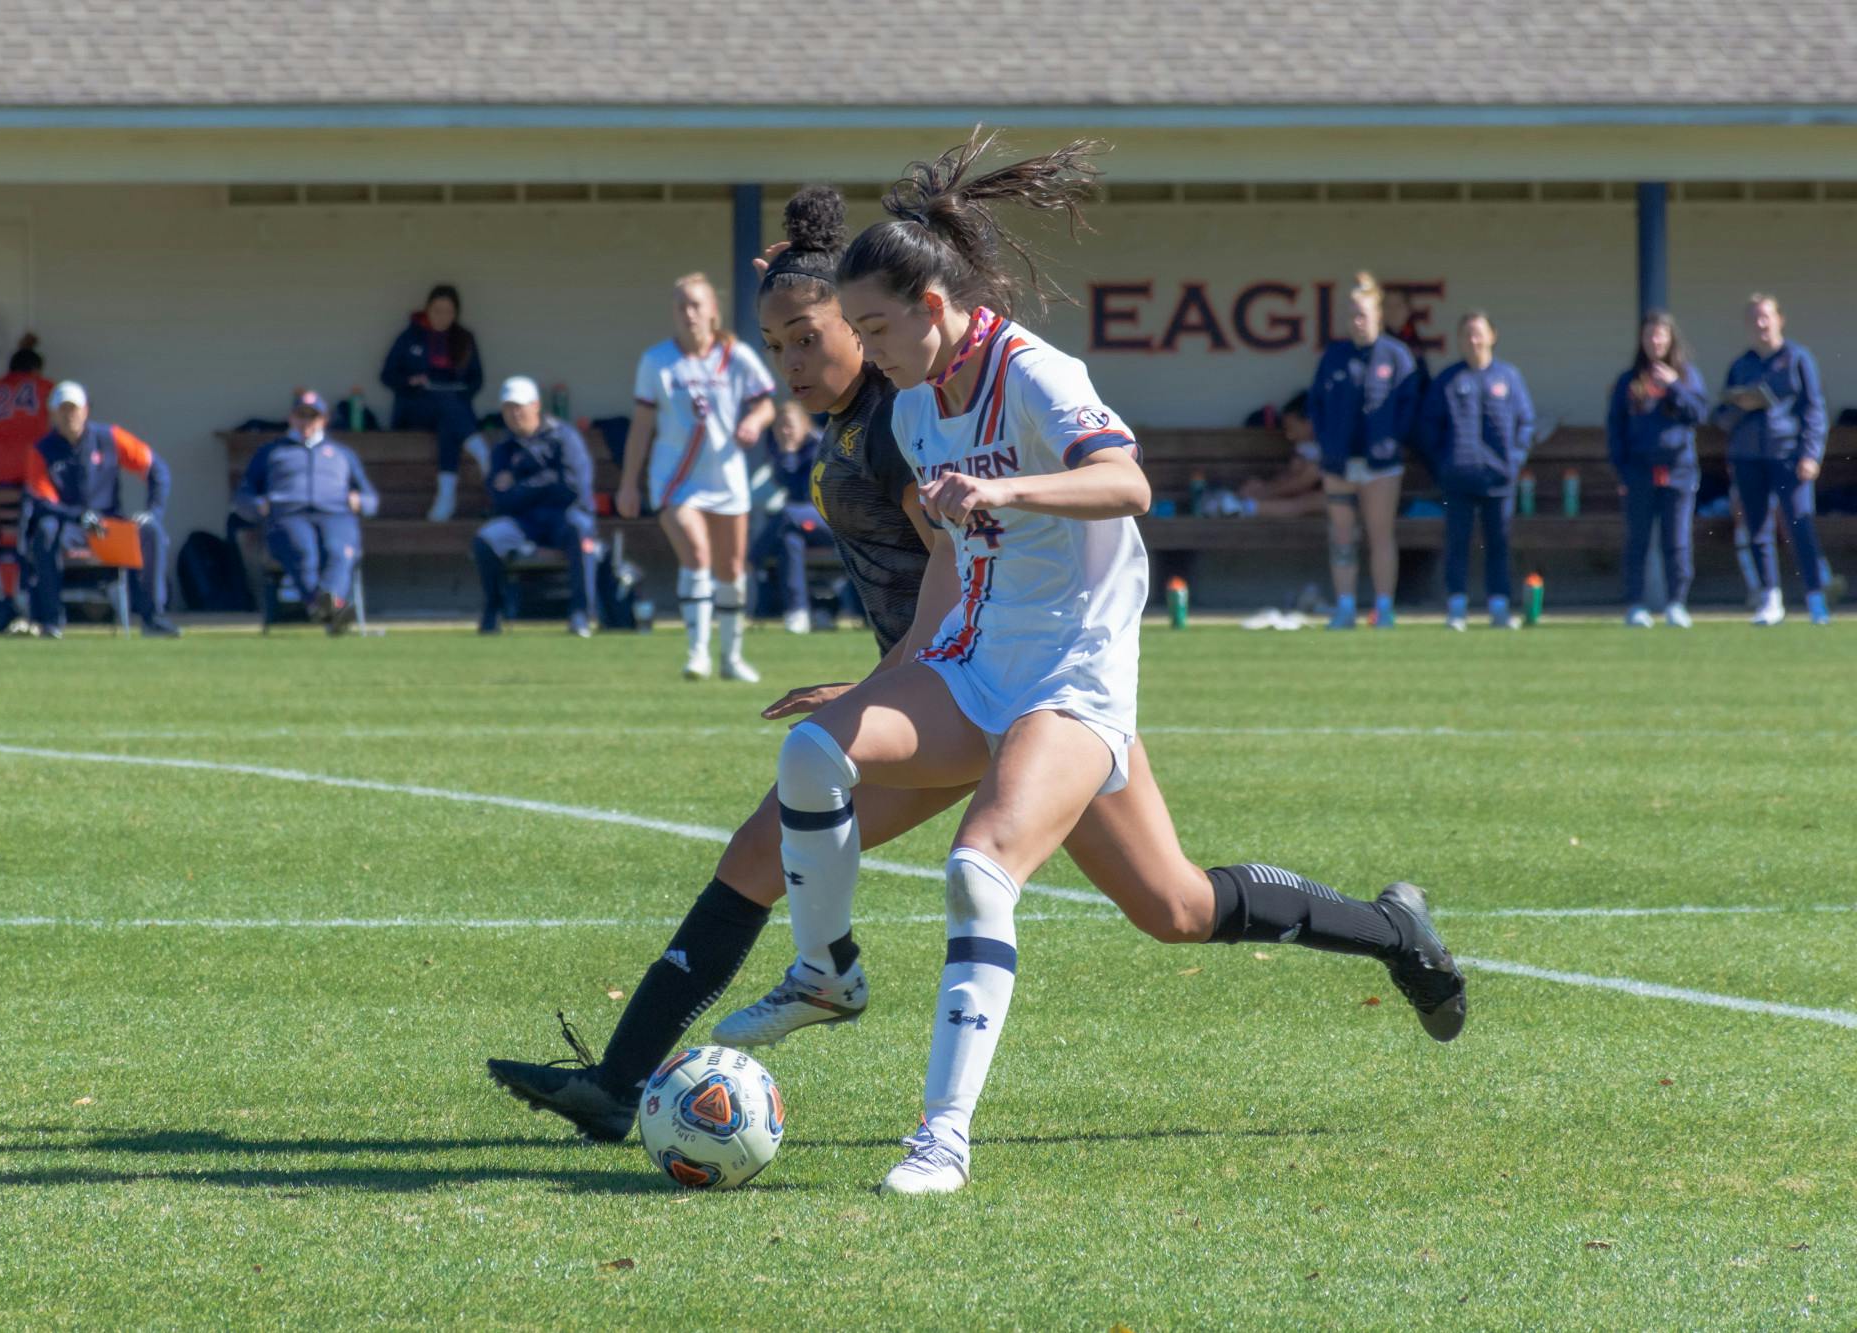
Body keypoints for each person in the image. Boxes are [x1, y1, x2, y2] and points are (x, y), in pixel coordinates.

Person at [486, 182, 1464, 1187]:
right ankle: (821, 975)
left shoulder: (1034, 372)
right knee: (812, 756)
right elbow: (951, 564)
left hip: (1071, 679)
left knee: (1051, 882)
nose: (859, 349)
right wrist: (891, 682)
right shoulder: (917, 407)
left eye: (867, 328)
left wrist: (1004, 488)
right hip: (975, 667)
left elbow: (1128, 483)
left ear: (931, 307)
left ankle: (943, 1138)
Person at [616, 272, 778, 681]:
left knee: (731, 568)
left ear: (712, 311)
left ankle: (731, 658)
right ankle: (697, 653)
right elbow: (641, 425)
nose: (688, 313)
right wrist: (628, 482)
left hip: (726, 476)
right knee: (697, 552)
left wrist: (754, 422)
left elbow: (766, 404)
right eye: (681, 306)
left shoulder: (736, 355)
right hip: (675, 478)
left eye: (696, 305)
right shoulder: (657, 361)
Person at [1307, 273, 1419, 629]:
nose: (1358, 321)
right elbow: (1316, 404)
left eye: (1364, 314)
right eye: (1353, 314)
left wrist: (1390, 442)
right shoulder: (1334, 356)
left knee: (1380, 534)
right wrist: (1328, 444)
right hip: (1338, 464)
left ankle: (1383, 608)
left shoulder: (1397, 355)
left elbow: (1409, 406)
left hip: (1381, 466)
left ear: (1378, 316)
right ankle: (1345, 607)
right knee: (1341, 536)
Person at [1710, 294, 1830, 626]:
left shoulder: (1798, 358)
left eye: (1766, 316)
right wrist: (1739, 405)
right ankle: (1770, 598)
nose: (1761, 324)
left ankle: (1815, 598)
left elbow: (1814, 410)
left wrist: (1810, 453)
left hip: (1788, 456)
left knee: (1799, 524)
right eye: (1754, 318)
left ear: (1780, 319)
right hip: (1748, 457)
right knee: (1757, 528)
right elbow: (1722, 416)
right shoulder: (1741, 364)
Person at [22, 381, 176, 639]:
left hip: (108, 527)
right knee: (45, 531)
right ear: (53, 414)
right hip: (69, 528)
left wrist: (153, 512)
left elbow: (156, 469)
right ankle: (51, 620)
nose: (69, 415)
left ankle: (153, 617)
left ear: (85, 410)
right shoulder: (42, 450)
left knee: (151, 531)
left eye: (74, 409)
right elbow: (43, 501)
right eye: (62, 410)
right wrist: (78, 516)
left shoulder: (110, 438)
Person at [1422, 312, 1536, 631]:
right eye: (1467, 334)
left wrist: (1514, 460)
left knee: (1498, 543)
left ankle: (1499, 606)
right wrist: (1444, 463)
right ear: (1459, 340)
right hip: (1457, 480)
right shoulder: (1448, 380)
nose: (1473, 340)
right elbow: (1428, 428)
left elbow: (1526, 423)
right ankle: (1456, 607)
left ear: (1492, 336)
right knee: (1456, 542)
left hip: (1499, 480)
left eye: (1478, 333)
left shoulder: (1508, 377)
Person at [232, 389, 379, 635]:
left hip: (336, 515)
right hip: (288, 515)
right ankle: (332, 611)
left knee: (339, 551)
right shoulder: (271, 452)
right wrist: (257, 506)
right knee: (303, 551)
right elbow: (243, 495)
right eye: (301, 415)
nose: (306, 422)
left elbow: (370, 497)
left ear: (324, 420)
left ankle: (325, 606)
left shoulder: (342, 454)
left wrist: (360, 501)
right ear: (291, 418)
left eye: (313, 416)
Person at [469, 376, 599, 637]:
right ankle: (494, 610)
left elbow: (572, 486)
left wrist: (520, 483)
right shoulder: (503, 448)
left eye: (520, 406)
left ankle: (580, 614)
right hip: (524, 522)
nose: (514, 413)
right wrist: (546, 482)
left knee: (581, 531)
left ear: (536, 405)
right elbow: (499, 496)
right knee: (486, 540)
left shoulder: (564, 437)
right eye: (508, 408)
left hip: (565, 517)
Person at [1607, 312, 1707, 628]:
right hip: (1639, 472)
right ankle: (1635, 605)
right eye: (1650, 335)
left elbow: (1698, 414)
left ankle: (1676, 603)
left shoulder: (1687, 376)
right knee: (1637, 540)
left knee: (1676, 540)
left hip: (1679, 471)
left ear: (1671, 338)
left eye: (1661, 334)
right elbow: (1616, 428)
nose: (1655, 341)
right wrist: (1621, 471)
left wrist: (1674, 386)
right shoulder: (1629, 380)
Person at [380, 283, 485, 522]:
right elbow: (387, 375)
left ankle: (446, 496)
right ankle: (480, 450)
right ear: (427, 309)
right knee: (446, 406)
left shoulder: (465, 339)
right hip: (415, 408)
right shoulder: (410, 337)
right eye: (437, 310)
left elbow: (476, 380)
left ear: (456, 313)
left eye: (448, 312)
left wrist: (461, 390)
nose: (442, 316)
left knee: (448, 421)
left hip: (451, 412)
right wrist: (410, 381)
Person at [0, 334, 54, 600]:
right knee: (43, 529)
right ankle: (40, 596)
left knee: (7, 533)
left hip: (2, 470)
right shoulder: (46, 387)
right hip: (37, 469)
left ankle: (9, 595)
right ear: (36, 368)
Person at [751, 399, 834, 632]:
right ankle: (798, 612)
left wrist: (788, 454)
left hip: (830, 521)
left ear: (804, 425)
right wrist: (786, 454)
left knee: (787, 515)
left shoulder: (818, 446)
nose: (784, 431)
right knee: (789, 540)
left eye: (789, 425)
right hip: (802, 523)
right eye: (779, 426)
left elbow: (805, 493)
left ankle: (750, 560)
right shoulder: (779, 449)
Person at [1232, 392, 1324, 518]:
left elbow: (1307, 478)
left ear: (1310, 422)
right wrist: (1263, 486)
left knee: (1307, 501)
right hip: (1314, 491)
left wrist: (1263, 493)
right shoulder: (1306, 446)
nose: (1289, 435)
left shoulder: (1332, 443)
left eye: (1291, 428)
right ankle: (1242, 506)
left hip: (1341, 497)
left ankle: (1242, 508)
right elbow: (1292, 476)